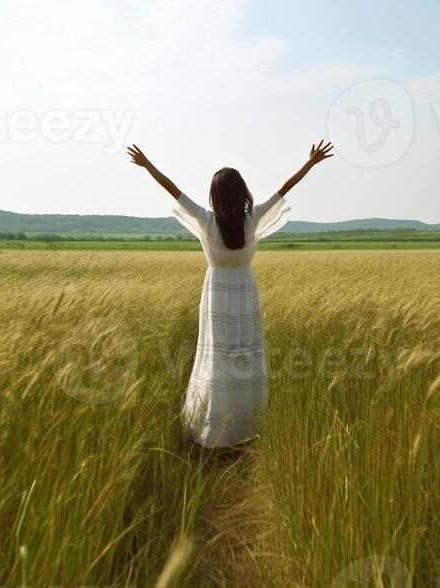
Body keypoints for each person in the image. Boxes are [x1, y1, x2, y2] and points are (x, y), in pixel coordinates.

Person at [126, 139, 334, 448]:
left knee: (217, 358)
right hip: (246, 293)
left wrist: (147, 165)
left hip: (216, 297)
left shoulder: (206, 220)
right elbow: (285, 188)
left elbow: (172, 188)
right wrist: (310, 163)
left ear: (215, 196)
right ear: (242, 193)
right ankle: (248, 426)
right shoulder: (253, 219)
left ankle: (216, 429)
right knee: (246, 356)